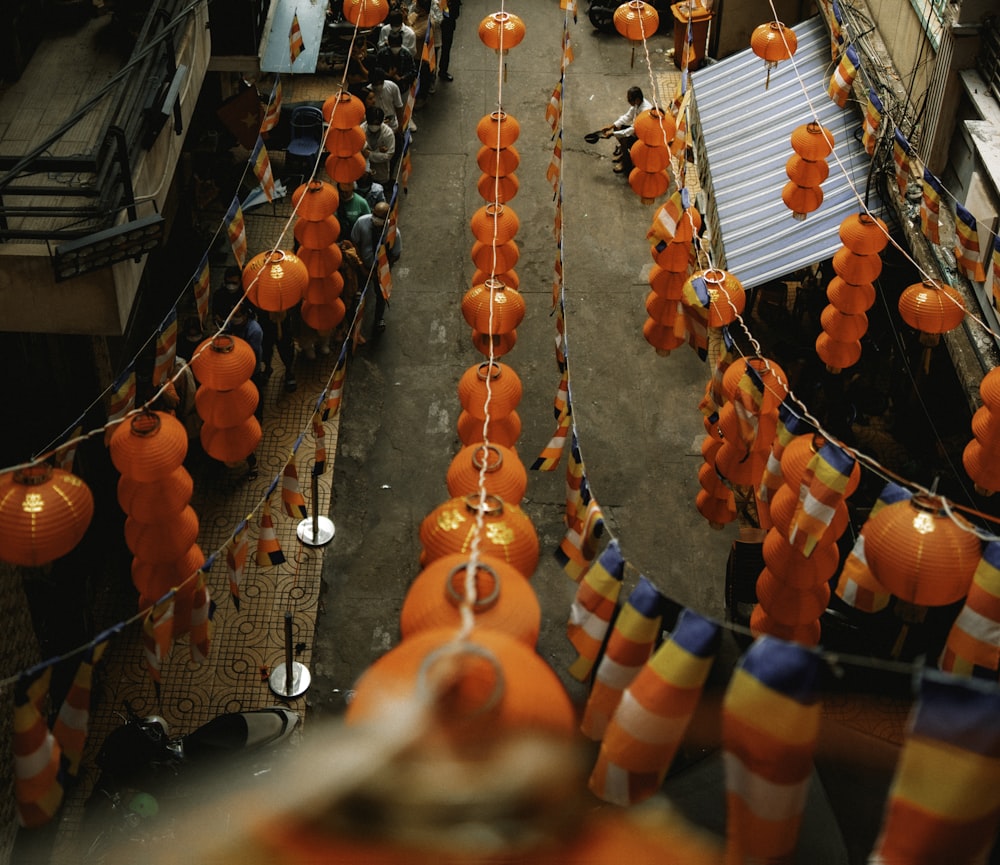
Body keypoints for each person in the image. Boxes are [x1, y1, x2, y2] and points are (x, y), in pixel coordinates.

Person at [351, 201, 401, 339]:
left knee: (381, 296)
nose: (376, 219)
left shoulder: (393, 233)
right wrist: (362, 266)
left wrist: (381, 269)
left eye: (380, 217)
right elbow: (354, 243)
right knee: (358, 294)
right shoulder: (361, 223)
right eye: (375, 215)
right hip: (363, 267)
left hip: (381, 271)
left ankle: (379, 318)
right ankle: (354, 324)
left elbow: (396, 254)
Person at [600, 85, 653, 175]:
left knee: (623, 138)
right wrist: (611, 126)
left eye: (629, 100)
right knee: (618, 127)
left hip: (642, 139)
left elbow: (632, 130)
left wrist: (613, 134)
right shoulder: (638, 104)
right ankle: (623, 153)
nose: (628, 102)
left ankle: (626, 162)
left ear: (636, 99)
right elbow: (627, 116)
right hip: (636, 131)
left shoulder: (645, 111)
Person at [374, 30, 417, 95]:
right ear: (389, 43)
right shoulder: (382, 53)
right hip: (385, 87)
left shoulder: (407, 54)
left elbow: (413, 71)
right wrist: (387, 74)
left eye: (397, 46)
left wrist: (402, 78)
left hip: (403, 88)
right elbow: (376, 68)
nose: (395, 48)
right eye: (393, 46)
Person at [361, 105, 395, 186]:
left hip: (381, 171)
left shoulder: (388, 133)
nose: (374, 126)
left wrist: (370, 154)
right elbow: (358, 150)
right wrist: (379, 153)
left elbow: (388, 155)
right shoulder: (361, 130)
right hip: (364, 171)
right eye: (372, 123)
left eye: (376, 123)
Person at [365, 67, 405, 134]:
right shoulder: (368, 93)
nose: (378, 86)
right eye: (376, 84)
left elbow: (399, 106)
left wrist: (400, 125)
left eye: (380, 83)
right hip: (376, 127)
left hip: (393, 124)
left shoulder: (392, 87)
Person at [438, 0, 460, 82]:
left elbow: (456, 13)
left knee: (446, 49)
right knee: (434, 49)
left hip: (447, 25)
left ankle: (443, 71)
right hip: (435, 25)